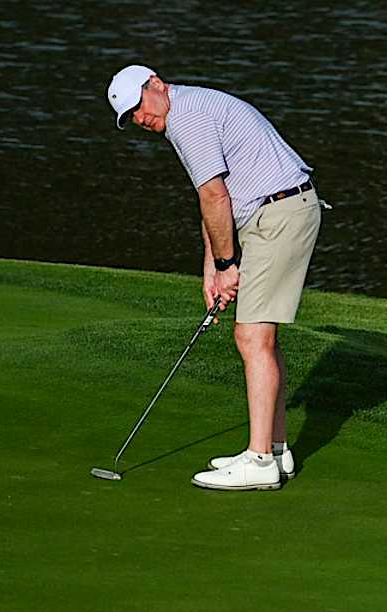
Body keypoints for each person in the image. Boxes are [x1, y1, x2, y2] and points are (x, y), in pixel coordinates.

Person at [105, 65, 323, 492]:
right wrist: (212, 266)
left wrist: (228, 266)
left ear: (157, 85)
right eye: (131, 118)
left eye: (139, 107)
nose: (141, 120)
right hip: (276, 210)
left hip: (278, 214)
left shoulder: (189, 118)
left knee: (251, 336)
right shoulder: (187, 111)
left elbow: (215, 195)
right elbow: (213, 197)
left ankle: (259, 462)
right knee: (261, 336)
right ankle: (275, 450)